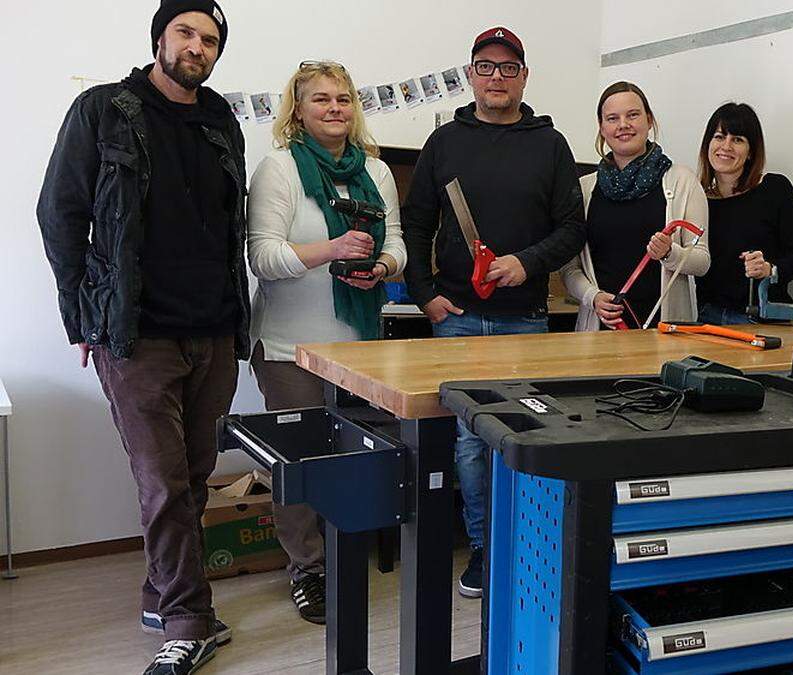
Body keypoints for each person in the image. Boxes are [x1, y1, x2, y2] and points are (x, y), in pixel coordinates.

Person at [37, 2, 245, 673]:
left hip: (212, 329)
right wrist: (81, 314)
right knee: (160, 480)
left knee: (192, 476)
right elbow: (60, 213)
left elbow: (228, 224)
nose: (198, 48)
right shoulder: (105, 109)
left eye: (210, 40)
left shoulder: (220, 120)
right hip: (134, 331)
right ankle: (190, 621)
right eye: (186, 33)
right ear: (160, 38)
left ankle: (162, 593)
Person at [402, 26, 586, 598]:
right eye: (487, 66)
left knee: (526, 439)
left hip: (525, 317)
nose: (497, 77)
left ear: (524, 75)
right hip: (455, 317)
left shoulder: (550, 145)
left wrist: (525, 264)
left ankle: (528, 546)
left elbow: (572, 227)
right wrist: (424, 292)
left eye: (509, 68)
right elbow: (414, 225)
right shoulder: (444, 143)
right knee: (470, 444)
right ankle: (484, 551)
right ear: (470, 74)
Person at [246, 61, 405, 624]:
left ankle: (341, 555)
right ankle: (308, 571)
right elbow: (262, 257)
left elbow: (399, 246)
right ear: (298, 109)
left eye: (343, 98)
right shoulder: (280, 168)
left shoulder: (378, 173)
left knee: (348, 461)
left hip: (357, 348)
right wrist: (331, 251)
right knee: (299, 466)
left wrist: (380, 266)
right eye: (320, 100)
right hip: (290, 349)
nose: (334, 108)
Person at [561, 82, 709, 330]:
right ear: (602, 127)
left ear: (649, 120)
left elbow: (702, 261)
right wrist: (592, 297)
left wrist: (670, 253)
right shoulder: (584, 189)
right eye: (612, 118)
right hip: (598, 331)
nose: (623, 125)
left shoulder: (683, 181)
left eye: (633, 115)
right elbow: (569, 268)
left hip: (666, 333)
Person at [694, 102, 793, 325]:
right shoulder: (697, 198)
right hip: (707, 321)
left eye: (737, 140)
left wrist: (769, 269)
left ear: (750, 152)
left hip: (763, 319)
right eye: (719, 137)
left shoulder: (775, 189)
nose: (726, 146)